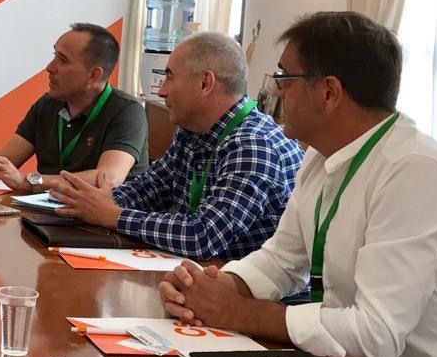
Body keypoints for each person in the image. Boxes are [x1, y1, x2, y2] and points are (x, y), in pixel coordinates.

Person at [158, 12, 437, 357]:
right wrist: (213, 287)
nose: (275, 91)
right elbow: (280, 258)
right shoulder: (321, 154)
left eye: (284, 77)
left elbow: (376, 332)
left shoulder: (414, 170)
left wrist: (242, 313)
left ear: (329, 92)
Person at [51, 31, 301, 260]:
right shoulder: (191, 131)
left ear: (205, 83)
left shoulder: (255, 146)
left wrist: (113, 215)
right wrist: (96, 200)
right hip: (197, 277)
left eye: (169, 77)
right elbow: (151, 188)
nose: (161, 92)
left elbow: (203, 236)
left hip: (248, 295)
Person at [0, 24, 148, 193]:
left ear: (93, 75)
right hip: (49, 213)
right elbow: (7, 161)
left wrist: (28, 181)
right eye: (54, 56)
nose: (49, 67)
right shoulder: (47, 105)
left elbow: (108, 178)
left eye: (62, 60)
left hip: (103, 223)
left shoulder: (127, 111)